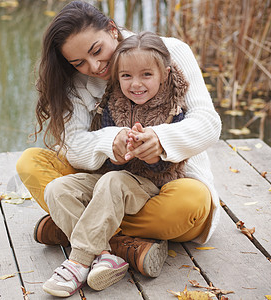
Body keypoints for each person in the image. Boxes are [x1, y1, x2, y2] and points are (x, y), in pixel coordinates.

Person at [16, 0, 221, 297]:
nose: (94, 67)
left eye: (97, 51)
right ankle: (120, 249)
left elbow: (208, 122)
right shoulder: (77, 83)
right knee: (32, 164)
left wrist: (160, 140)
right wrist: (109, 141)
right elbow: (73, 146)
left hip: (165, 189)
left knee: (193, 201)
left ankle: (74, 230)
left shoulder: (169, 51)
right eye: (79, 63)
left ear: (112, 30)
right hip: (106, 181)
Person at [42, 31, 192, 297]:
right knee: (58, 188)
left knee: (113, 181)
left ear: (165, 74)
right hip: (112, 179)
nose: (136, 84)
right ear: (117, 76)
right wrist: (116, 147)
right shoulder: (112, 101)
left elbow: (172, 160)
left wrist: (154, 153)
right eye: (126, 76)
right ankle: (107, 256)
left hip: (150, 185)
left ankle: (78, 261)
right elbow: (106, 141)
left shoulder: (171, 106)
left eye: (146, 75)